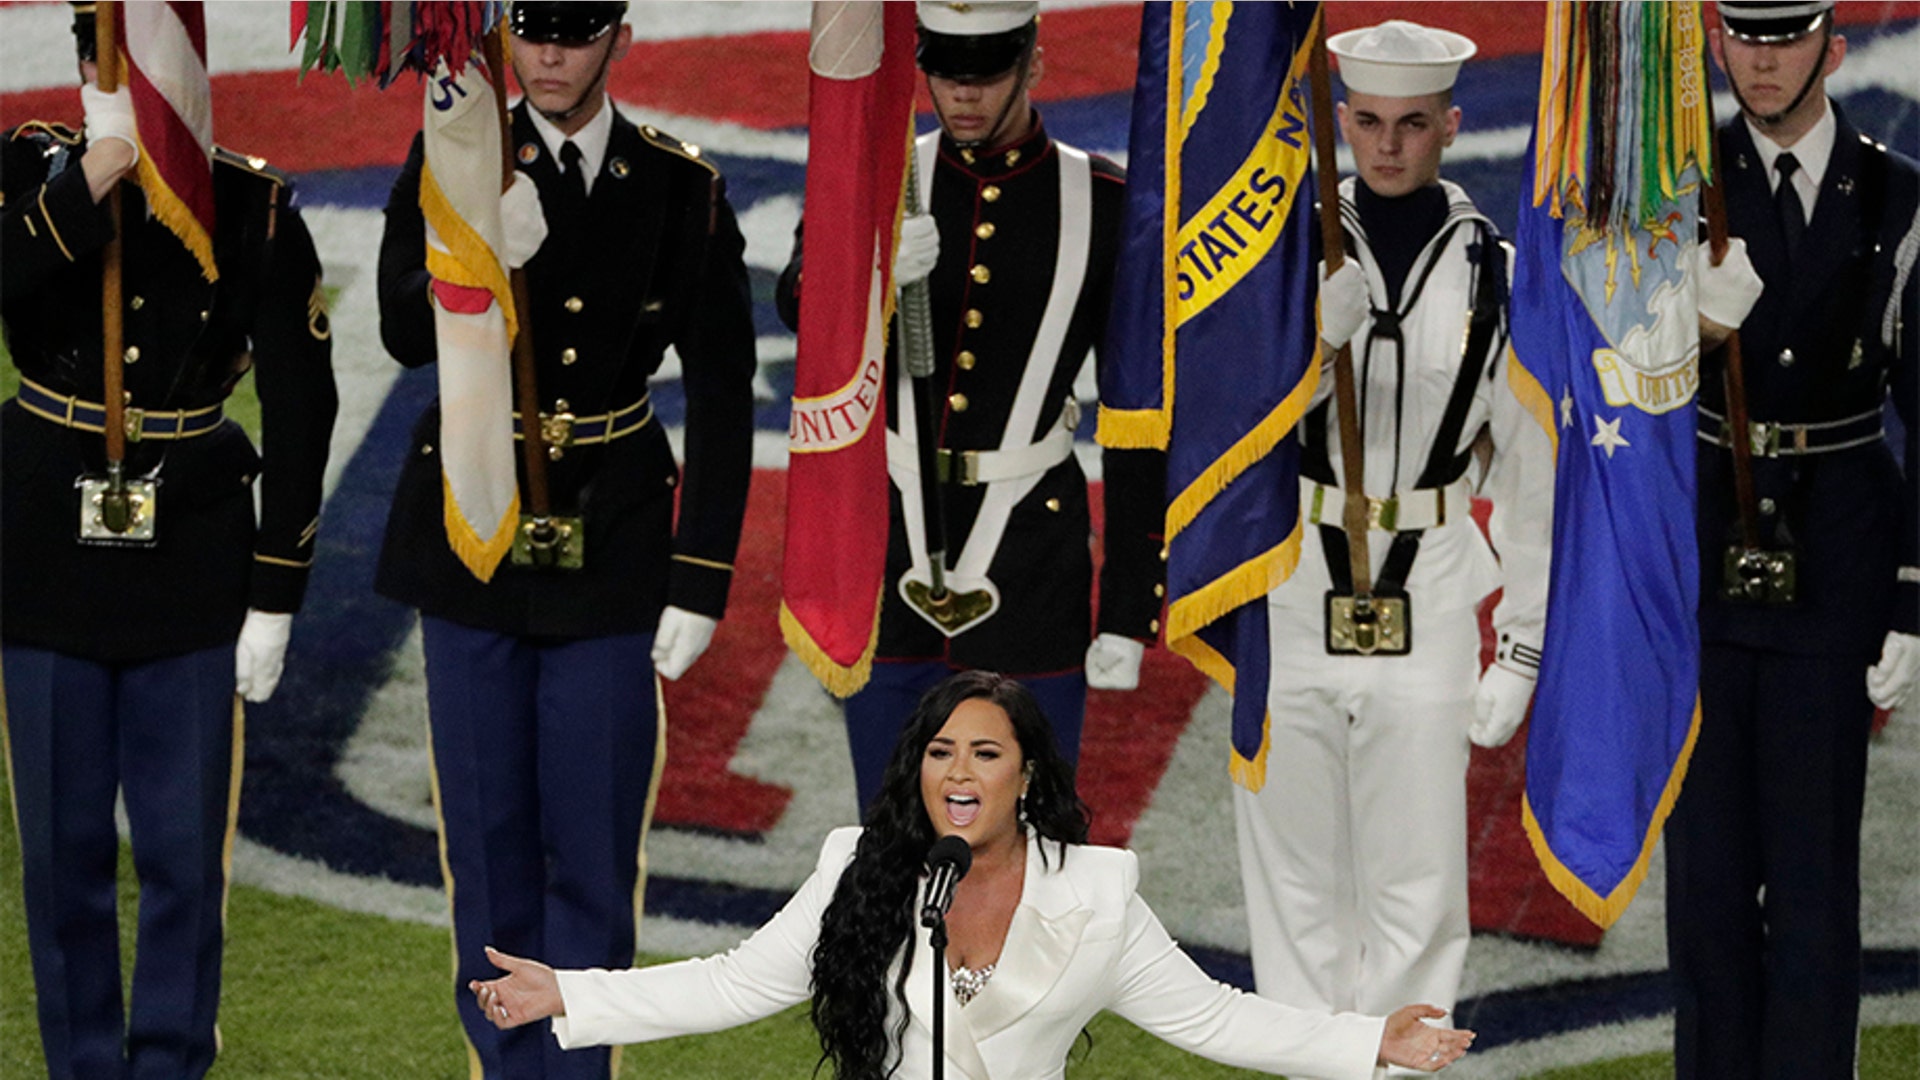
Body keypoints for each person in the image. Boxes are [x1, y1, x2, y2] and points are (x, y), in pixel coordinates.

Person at [373, 2, 757, 1076]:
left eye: (574, 32)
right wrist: (474, 258)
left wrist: (702, 577)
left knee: (591, 856)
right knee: (491, 859)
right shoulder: (457, 153)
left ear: (617, 38)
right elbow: (404, 330)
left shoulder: (680, 187)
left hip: (615, 539)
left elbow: (725, 391)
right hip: (475, 535)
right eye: (532, 29)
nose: (547, 53)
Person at [469, 671, 1475, 1079]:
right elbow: (739, 980)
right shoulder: (858, 871)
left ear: (1025, 777)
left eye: (986, 755)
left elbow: (1215, 1018)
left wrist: (1367, 1040)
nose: (959, 774)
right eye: (942, 752)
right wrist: (573, 992)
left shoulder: (1096, 897)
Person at [0, 3, 337, 1076]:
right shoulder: (29, 180)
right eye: (107, 64)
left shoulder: (254, 208)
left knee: (187, 862)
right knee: (62, 860)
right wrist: (83, 185)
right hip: (45, 559)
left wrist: (277, 585)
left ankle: (170, 1065)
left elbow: (302, 404)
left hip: (191, 562)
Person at [1232, 20, 1555, 1040]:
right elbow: (1212, 427)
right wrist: (1291, 349)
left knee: (1418, 888)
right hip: (1292, 583)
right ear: (1343, 124)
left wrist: (1524, 644)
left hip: (1436, 586)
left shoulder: (1501, 275)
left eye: (1411, 123)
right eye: (1366, 121)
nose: (1386, 145)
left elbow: (1537, 479)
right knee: (1292, 882)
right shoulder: (1278, 255)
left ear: (1451, 125)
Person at [775, 0, 1166, 813]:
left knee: (1031, 842)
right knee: (889, 838)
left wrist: (1129, 607)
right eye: (947, 74)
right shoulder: (881, 179)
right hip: (889, 548)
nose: (964, 95)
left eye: (987, 73)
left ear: (1034, 62)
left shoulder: (1101, 203)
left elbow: (1137, 414)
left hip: (1031, 558)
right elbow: (795, 302)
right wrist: (869, 279)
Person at [1670, 3, 1919, 1077]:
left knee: (1815, 883)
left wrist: (1913, 594)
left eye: (1784, 39)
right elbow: (1611, 399)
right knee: (1709, 883)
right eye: (1743, 38)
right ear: (1717, 44)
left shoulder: (1901, 195)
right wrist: (1693, 335)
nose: (1761, 61)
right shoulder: (1674, 191)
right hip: (1695, 558)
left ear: (1833, 47)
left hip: (1839, 560)